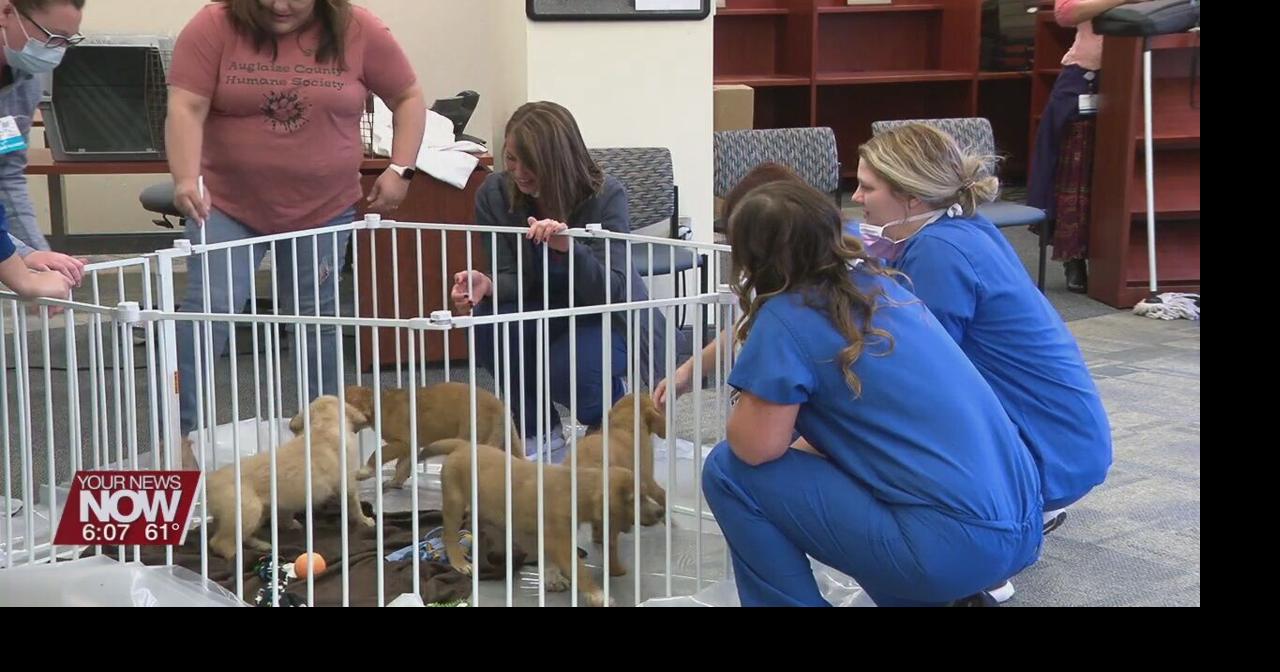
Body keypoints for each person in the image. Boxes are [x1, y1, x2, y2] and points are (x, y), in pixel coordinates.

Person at [700, 180, 1043, 607]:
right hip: (1022, 525)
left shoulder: (787, 318)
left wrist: (746, 398)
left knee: (727, 470)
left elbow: (755, 449)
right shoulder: (885, 288)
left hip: (951, 546)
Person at [854, 122, 1112, 599]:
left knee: (868, 420)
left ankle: (984, 557)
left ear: (911, 196)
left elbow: (914, 378)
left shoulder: (937, 253)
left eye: (867, 187)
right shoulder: (962, 227)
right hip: (1072, 443)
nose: (855, 197)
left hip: (1046, 454)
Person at [166, 0, 425, 448]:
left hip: (322, 206)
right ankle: (182, 435)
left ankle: (324, 439)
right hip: (227, 204)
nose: (279, 6)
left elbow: (408, 97)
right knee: (208, 314)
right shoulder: (215, 24)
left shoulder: (359, 28)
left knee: (315, 319)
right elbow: (186, 106)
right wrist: (187, 177)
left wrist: (402, 169)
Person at [451, 101, 671, 461]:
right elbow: (512, 277)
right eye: (511, 159)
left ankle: (607, 418)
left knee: (569, 367)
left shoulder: (606, 195)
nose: (518, 173)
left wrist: (569, 250)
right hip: (535, 304)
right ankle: (539, 431)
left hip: (596, 312)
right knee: (490, 323)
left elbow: (612, 291)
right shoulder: (493, 193)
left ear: (557, 160)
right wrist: (488, 285)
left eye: (530, 162)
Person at [1027, 0, 1139, 292]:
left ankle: (1129, 259)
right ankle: (1074, 257)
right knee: (1077, 173)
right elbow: (1066, 12)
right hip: (1087, 79)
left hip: (1145, 74)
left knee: (1126, 174)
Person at [0, 0, 87, 286]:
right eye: (52, 37)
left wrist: (42, 259)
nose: (58, 50)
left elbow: (7, 177)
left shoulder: (25, 81)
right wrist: (22, 268)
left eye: (67, 40)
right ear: (6, 11)